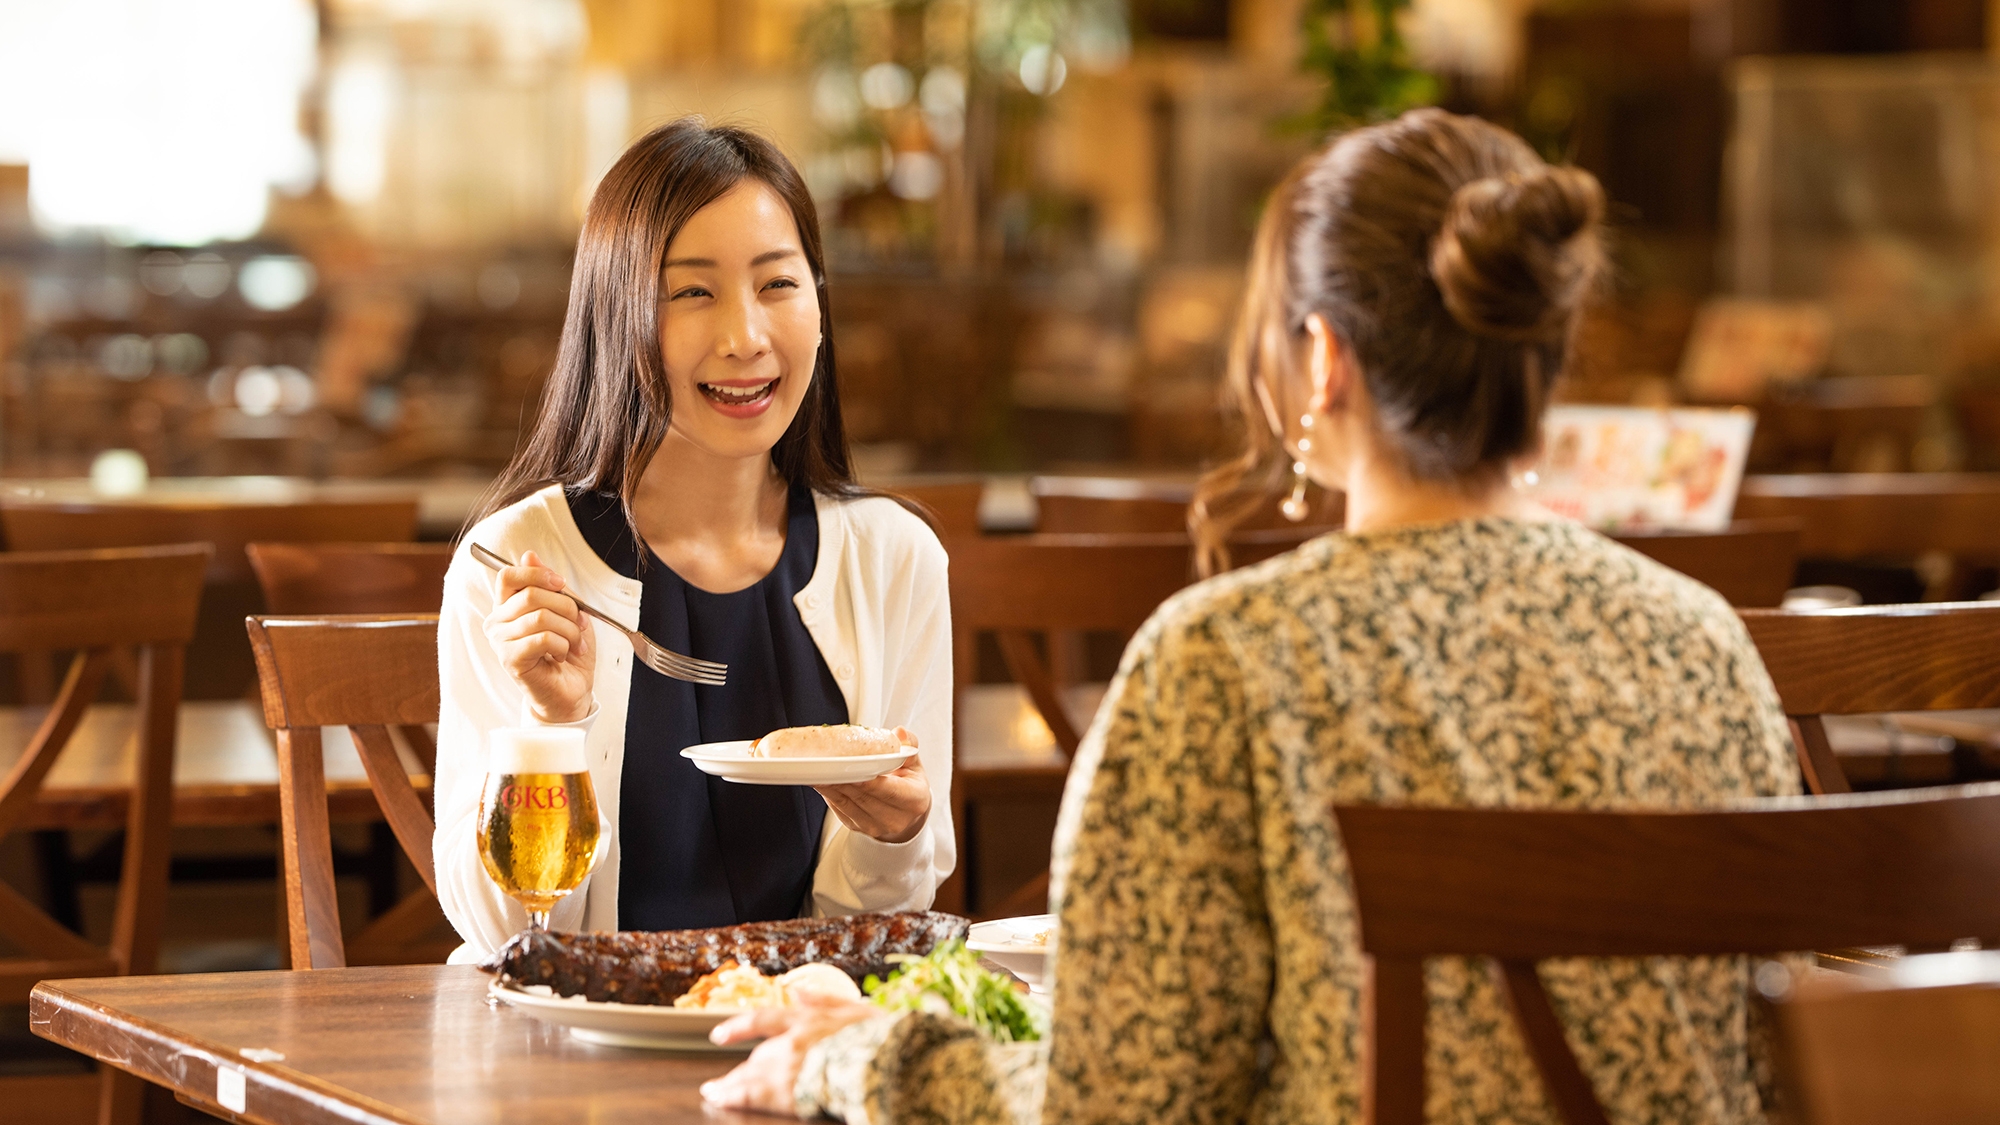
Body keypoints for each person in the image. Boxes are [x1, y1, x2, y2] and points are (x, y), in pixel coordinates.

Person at [700, 107, 1799, 1124]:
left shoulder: (1220, 664)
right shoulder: (1706, 646)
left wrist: (856, 1057)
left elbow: (1120, 1102)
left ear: (1320, 360)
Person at [432, 119, 954, 956]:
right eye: (693, 292)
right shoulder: (523, 566)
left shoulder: (894, 559)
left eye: (778, 284)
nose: (745, 337)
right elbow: (502, 937)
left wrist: (897, 835)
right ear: (618, 317)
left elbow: (880, 925)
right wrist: (549, 723)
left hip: (800, 1045)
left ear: (820, 307)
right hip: (577, 1060)